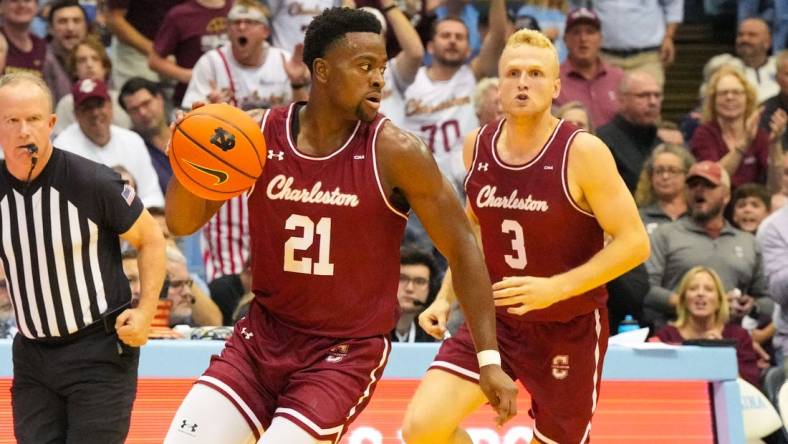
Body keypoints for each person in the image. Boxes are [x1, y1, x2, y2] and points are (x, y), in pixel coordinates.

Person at [162, 8, 517, 443]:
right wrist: (190, 159)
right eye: (365, 66)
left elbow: (464, 249)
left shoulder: (397, 153)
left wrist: (488, 358)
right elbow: (181, 222)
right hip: (262, 338)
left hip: (342, 353)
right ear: (322, 71)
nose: (378, 80)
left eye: (382, 68)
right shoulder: (258, 133)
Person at [402, 29, 650, 444]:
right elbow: (475, 231)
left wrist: (556, 287)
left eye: (535, 73)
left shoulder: (583, 152)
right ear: (498, 86)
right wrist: (447, 297)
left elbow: (635, 242)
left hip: (567, 324)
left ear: (556, 86)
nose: (522, 82)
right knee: (422, 428)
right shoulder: (476, 146)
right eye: (513, 73)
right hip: (496, 319)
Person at [0, 72, 166, 443]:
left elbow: (152, 240)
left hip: (99, 351)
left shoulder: (91, 181)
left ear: (52, 124)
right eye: (12, 120)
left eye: (34, 119)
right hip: (32, 357)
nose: (24, 130)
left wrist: (146, 313)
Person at [645, 161, 771, 331]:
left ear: (726, 195)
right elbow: (646, 289)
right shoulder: (664, 234)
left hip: (730, 339)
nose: (699, 190)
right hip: (675, 340)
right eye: (693, 185)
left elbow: (768, 300)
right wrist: (694, 304)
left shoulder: (748, 242)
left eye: (708, 185)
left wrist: (752, 306)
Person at [53, 77, 164, 208]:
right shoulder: (63, 149)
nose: (95, 113)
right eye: (87, 108)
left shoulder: (132, 140)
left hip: (139, 220)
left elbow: (153, 196)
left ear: (110, 106)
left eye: (99, 105)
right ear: (76, 114)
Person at [181, 0, 309, 111]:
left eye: (250, 22)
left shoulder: (285, 61)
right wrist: (210, 109)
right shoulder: (211, 62)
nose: (242, 27)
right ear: (228, 31)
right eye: (235, 22)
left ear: (265, 31)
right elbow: (189, 113)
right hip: (229, 135)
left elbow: (304, 118)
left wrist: (297, 84)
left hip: (274, 136)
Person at [655, 266, 762, 386]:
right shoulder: (666, 337)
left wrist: (720, 355)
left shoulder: (739, 337)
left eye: (709, 289)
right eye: (693, 288)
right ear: (683, 299)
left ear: (720, 301)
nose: (700, 293)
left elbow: (749, 389)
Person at [690, 66, 786, 191]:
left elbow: (776, 187)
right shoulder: (704, 134)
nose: (730, 97)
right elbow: (712, 180)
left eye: (736, 92)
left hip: (753, 203)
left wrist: (775, 143)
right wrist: (745, 143)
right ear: (713, 100)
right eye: (723, 93)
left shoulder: (758, 134)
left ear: (747, 98)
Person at [555, 7, 623, 128]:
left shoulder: (619, 78)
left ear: (600, 40)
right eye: (576, 32)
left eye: (590, 32)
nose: (583, 39)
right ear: (565, 39)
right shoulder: (553, 80)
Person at [596, 70, 664, 191]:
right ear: (622, 100)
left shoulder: (661, 142)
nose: (653, 102)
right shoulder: (602, 142)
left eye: (657, 96)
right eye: (643, 95)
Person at [53, 35, 132, 135]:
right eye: (82, 60)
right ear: (75, 70)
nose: (89, 65)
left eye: (95, 59)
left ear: (105, 68)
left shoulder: (119, 99)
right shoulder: (66, 104)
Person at [118, 77, 172, 194]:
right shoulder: (130, 150)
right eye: (134, 109)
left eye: (146, 103)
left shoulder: (184, 129)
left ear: (159, 98)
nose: (142, 113)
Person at [634, 143, 695, 234]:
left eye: (673, 171)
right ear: (651, 177)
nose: (665, 176)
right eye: (659, 171)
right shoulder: (639, 218)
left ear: (687, 175)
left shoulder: (698, 216)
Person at [43, 0, 88, 102]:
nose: (70, 28)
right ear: (50, 28)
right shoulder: (42, 59)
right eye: (63, 21)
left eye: (76, 21)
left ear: (86, 27)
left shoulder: (97, 57)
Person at [393, 246, 439, 343]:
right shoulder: (367, 329)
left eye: (419, 281)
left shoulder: (437, 332)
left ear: (431, 288)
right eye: (402, 278)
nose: (409, 288)